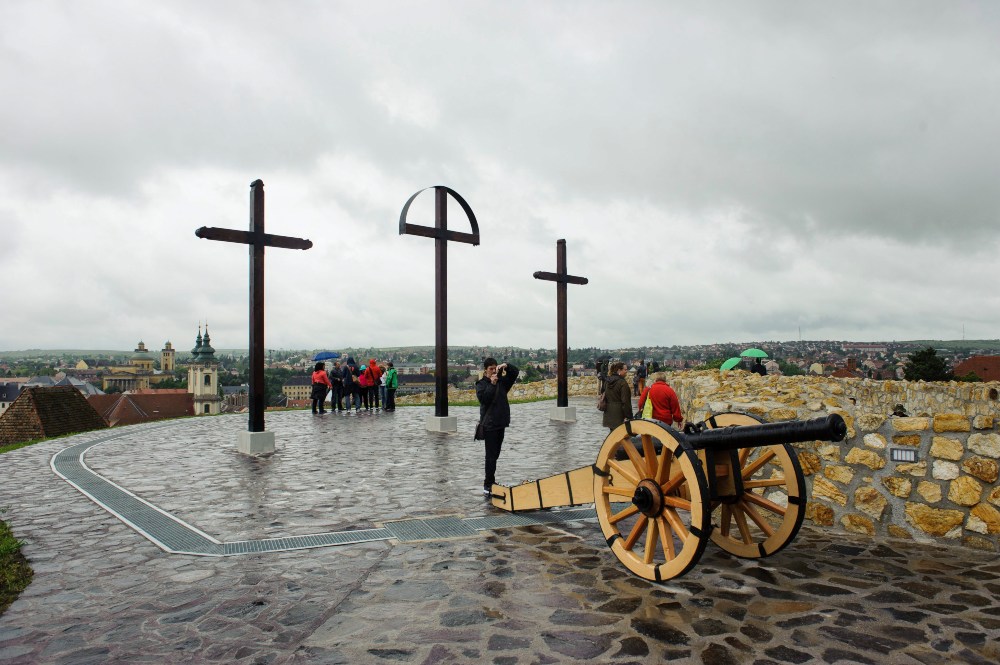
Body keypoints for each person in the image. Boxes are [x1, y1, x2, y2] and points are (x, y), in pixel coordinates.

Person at [476, 358, 519, 496]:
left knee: (495, 455)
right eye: (491, 369)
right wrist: (492, 384)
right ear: (485, 370)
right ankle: (488, 484)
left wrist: (506, 365)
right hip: (489, 425)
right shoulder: (481, 384)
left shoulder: (502, 383)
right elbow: (484, 399)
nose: (494, 371)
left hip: (501, 423)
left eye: (495, 368)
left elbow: (515, 373)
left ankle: (491, 482)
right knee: (490, 456)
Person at [602, 361, 633, 431]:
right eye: (625, 370)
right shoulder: (622, 383)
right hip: (619, 415)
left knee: (613, 436)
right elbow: (626, 402)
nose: (626, 371)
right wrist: (629, 416)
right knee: (621, 438)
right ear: (619, 370)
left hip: (609, 413)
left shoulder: (607, 381)